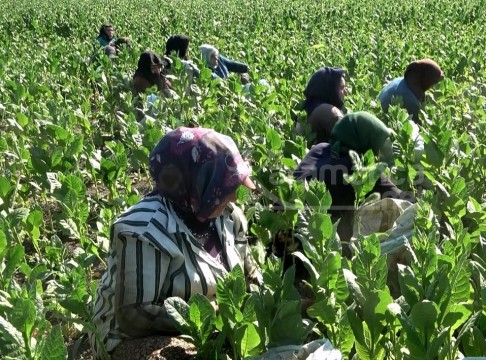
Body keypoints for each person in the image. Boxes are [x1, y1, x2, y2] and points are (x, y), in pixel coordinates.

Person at [90, 127, 262, 359]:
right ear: (194, 183)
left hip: (212, 327)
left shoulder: (229, 216)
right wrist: (205, 314)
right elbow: (133, 316)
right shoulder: (143, 229)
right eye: (221, 187)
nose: (232, 197)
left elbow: (250, 276)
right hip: (134, 337)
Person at [293, 111, 413, 250]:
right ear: (366, 141)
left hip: (285, 228)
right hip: (312, 244)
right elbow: (404, 201)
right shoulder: (359, 167)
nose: (379, 154)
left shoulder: (319, 149)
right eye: (378, 146)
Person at [378, 59, 445, 123]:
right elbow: (416, 127)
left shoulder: (400, 80)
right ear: (426, 81)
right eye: (432, 83)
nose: (432, 87)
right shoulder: (410, 101)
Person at [300, 67, 347, 146]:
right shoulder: (328, 112)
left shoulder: (308, 109)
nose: (346, 92)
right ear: (330, 90)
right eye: (342, 87)